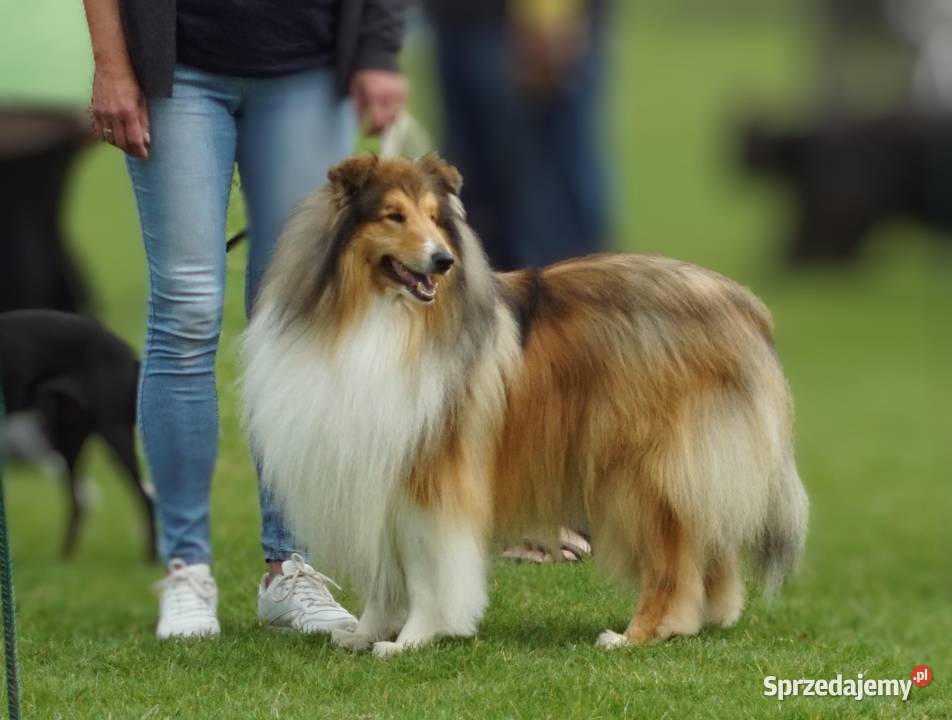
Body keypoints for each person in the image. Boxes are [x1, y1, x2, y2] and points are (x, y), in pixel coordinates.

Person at [82, 0, 407, 639]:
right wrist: (112, 64)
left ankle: (290, 567)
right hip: (177, 69)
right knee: (185, 311)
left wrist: (378, 50)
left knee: (298, 322)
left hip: (309, 70)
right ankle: (186, 569)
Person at [425, 0, 609, 272]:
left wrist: (549, 13)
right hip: (457, 20)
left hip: (525, 29)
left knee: (549, 226)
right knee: (477, 214)